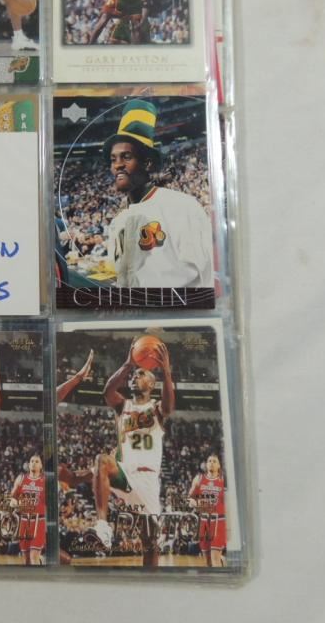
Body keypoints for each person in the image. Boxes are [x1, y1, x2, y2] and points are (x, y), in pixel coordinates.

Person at [104, 101, 213, 289]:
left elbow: (206, 276)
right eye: (113, 159)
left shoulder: (181, 207)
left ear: (147, 163)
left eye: (126, 157)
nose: (118, 165)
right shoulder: (119, 221)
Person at [90, 335, 175, 566]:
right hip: (125, 473)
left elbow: (169, 406)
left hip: (147, 480)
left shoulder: (156, 409)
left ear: (152, 384)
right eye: (134, 375)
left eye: (140, 374)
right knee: (102, 460)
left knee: (150, 544)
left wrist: (167, 372)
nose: (135, 377)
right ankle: (102, 525)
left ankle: (150, 579)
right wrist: (128, 364)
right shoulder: (123, 406)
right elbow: (108, 392)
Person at [189, 453, 227, 566]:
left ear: (219, 465)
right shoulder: (199, 479)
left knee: (215, 558)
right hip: (204, 521)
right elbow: (190, 499)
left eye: (214, 461)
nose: (211, 463)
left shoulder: (223, 480)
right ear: (206, 464)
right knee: (208, 561)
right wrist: (196, 504)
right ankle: (220, 563)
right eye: (209, 461)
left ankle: (219, 565)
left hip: (219, 521)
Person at [9, 454, 46, 565]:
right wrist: (16, 503)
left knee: (34, 556)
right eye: (32, 461)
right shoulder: (21, 479)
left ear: (41, 466)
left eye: (37, 461)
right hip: (24, 522)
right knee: (26, 560)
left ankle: (39, 566)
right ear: (29, 464)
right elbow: (12, 498)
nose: (34, 463)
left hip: (38, 521)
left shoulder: (45, 481)